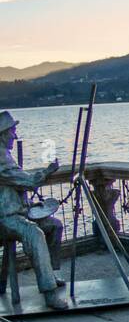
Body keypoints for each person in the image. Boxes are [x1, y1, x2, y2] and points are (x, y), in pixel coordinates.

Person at [0, 111, 69, 310]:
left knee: (54, 226)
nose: (15, 135)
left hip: (20, 213)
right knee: (35, 234)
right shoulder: (0, 159)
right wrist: (47, 171)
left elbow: (16, 184)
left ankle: (52, 274)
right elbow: (26, 181)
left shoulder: (6, 154)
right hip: (6, 219)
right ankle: (49, 293)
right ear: (3, 133)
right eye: (13, 131)